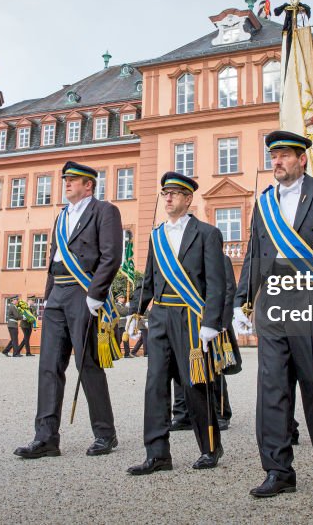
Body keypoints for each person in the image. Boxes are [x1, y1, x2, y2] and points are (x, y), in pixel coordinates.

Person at [234, 131, 313, 496]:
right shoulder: (264, 201)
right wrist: (242, 300)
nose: (278, 162)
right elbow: (254, 253)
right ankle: (277, 470)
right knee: (271, 387)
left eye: (285, 155)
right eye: (274, 156)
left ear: (302, 158)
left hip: (311, 296)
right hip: (272, 299)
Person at [14, 161, 122, 460]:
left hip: (83, 293)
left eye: (73, 180)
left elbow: (112, 256)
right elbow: (53, 259)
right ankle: (46, 437)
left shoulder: (104, 211)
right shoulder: (62, 216)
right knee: (48, 366)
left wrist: (95, 295)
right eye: (66, 179)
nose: (67, 183)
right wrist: (48, 297)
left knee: (87, 364)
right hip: (58, 295)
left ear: (89, 184)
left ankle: (105, 434)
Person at [126, 171, 227, 476]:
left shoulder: (207, 233)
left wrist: (212, 321)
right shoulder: (156, 235)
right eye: (165, 193)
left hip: (192, 318)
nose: (167, 198)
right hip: (160, 319)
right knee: (155, 385)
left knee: (195, 384)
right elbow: (149, 279)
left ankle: (209, 447)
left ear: (188, 198)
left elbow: (216, 283)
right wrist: (136, 311)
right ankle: (157, 454)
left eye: (174, 193)